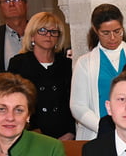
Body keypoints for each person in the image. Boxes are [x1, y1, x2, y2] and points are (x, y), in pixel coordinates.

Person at [69, 4, 126, 140]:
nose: (112, 38)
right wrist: (104, 128)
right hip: (98, 134)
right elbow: (78, 106)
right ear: (96, 30)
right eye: (106, 33)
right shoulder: (84, 63)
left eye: (117, 31)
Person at [6, 12, 75, 140]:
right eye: (42, 30)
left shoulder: (66, 64)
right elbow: (13, 100)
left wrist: (71, 131)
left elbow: (73, 100)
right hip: (31, 133)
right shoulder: (19, 63)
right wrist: (31, 130)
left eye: (53, 31)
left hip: (64, 134)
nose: (48, 35)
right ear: (32, 35)